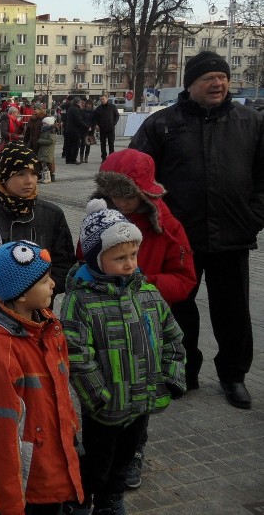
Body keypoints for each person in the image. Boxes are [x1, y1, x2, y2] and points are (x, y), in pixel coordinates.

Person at [130, 50, 264, 410]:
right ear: (190, 85)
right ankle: (183, 373)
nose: (218, 83)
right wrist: (154, 221)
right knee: (178, 308)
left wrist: (253, 216)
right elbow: (135, 175)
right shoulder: (161, 124)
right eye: (209, 78)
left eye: (222, 77)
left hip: (233, 236)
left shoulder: (250, 122)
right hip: (178, 239)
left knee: (233, 311)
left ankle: (234, 376)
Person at [60, 199, 186, 515]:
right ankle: (81, 499)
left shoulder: (146, 292)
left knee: (126, 456)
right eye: (119, 258)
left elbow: (172, 335)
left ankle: (111, 498)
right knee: (97, 460)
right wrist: (99, 397)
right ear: (96, 259)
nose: (130, 263)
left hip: (141, 399)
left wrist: (170, 377)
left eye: (132, 255)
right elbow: (76, 354)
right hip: (105, 405)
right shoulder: (81, 300)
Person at [89, 148, 196, 490]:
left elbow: (184, 278)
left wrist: (147, 284)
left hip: (144, 327)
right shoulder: (102, 215)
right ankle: (97, 449)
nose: (120, 201)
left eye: (127, 194)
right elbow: (85, 258)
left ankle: (134, 449)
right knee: (104, 386)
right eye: (113, 193)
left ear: (144, 191)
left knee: (139, 390)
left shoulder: (166, 226)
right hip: (105, 325)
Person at [0, 241, 83, 515]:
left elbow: (61, 394)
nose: (53, 284)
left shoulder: (48, 326)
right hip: (25, 481)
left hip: (51, 463)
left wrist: (72, 437)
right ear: (20, 294)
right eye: (44, 280)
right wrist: (10, 504)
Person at [0, 142, 75, 302]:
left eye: (34, 173)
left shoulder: (52, 215)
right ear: (5, 175)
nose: (30, 181)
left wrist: (43, 290)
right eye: (21, 174)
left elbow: (65, 264)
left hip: (40, 310)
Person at [94, 95, 120, 162]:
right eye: (101, 99)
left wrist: (114, 123)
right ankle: (103, 158)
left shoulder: (112, 107)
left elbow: (117, 115)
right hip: (102, 129)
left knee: (111, 143)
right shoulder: (98, 108)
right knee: (103, 144)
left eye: (103, 99)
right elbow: (95, 118)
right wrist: (96, 124)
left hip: (110, 128)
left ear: (106, 99)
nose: (102, 100)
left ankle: (111, 158)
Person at [63, 98, 86, 164]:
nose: (81, 104)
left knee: (70, 145)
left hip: (69, 129)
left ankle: (68, 159)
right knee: (76, 145)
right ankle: (73, 159)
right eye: (80, 103)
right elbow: (79, 120)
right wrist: (86, 127)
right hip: (74, 130)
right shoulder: (75, 109)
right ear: (77, 103)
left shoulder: (71, 108)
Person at [36, 116, 57, 183]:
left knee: (45, 165)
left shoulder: (51, 131)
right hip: (44, 150)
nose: (43, 125)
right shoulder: (44, 130)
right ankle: (44, 177)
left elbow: (51, 141)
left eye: (44, 123)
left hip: (47, 150)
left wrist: (40, 141)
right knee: (43, 165)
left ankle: (47, 178)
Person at [78, 100, 96, 164]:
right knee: (83, 144)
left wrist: (92, 127)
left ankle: (86, 157)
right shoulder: (82, 111)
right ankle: (81, 157)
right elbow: (80, 120)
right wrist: (86, 127)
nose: (88, 105)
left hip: (91, 130)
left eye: (90, 104)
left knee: (88, 144)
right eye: (87, 104)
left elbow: (94, 120)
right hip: (83, 129)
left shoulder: (93, 112)